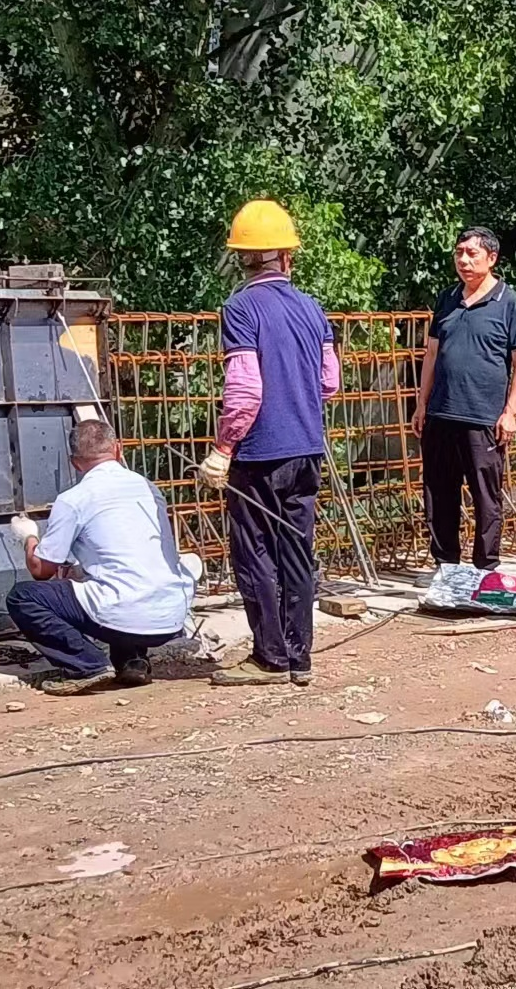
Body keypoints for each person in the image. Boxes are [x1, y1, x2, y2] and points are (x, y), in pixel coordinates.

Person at [198, 200, 340, 687]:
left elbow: (244, 389)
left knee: (254, 552)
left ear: (243, 257)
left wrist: (223, 449)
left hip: (259, 453)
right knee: (297, 550)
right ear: (286, 256)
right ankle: (300, 657)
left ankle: (269, 658)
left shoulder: (240, 308)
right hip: (307, 448)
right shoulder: (312, 308)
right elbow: (329, 381)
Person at [6, 420, 194, 696]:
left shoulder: (74, 499)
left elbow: (41, 570)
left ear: (74, 462)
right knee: (118, 582)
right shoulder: (148, 488)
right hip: (172, 616)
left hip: (123, 611)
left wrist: (28, 537)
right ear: (118, 449)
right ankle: (133, 662)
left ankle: (87, 665)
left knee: (23, 597)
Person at [412, 226, 516, 570]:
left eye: (472, 253)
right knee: (439, 494)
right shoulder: (447, 299)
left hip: (484, 419)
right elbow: (432, 354)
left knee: (485, 497)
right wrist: (422, 404)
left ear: (491, 258)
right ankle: (446, 567)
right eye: (459, 253)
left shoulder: (509, 303)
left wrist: (510, 412)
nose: (463, 260)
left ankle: (485, 568)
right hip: (441, 414)